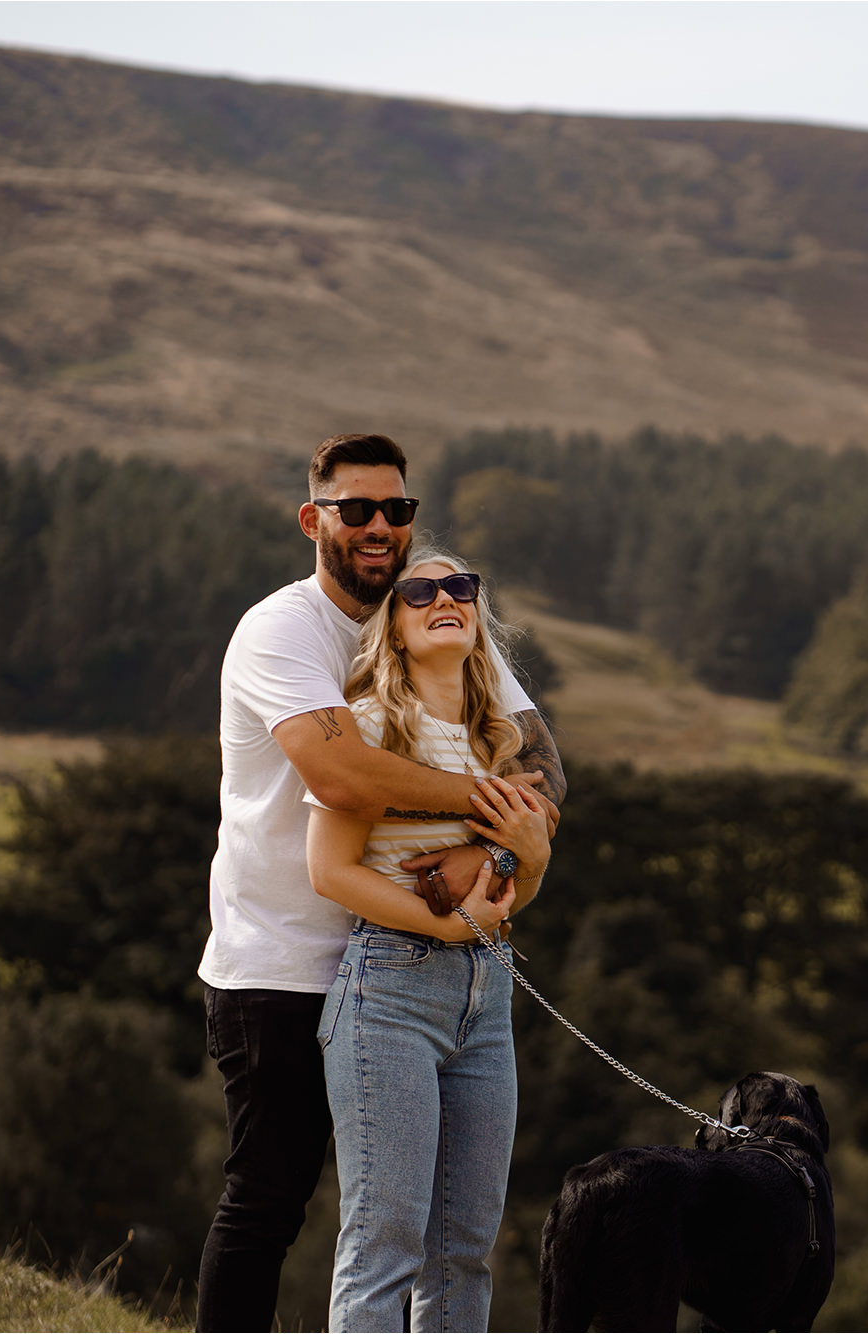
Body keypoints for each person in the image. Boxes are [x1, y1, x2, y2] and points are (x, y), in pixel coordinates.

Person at [195, 433, 564, 1332]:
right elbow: (344, 778)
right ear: (312, 518)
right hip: (281, 965)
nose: (377, 527)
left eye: (395, 510)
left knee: (445, 1240)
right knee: (274, 1206)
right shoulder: (281, 628)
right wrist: (490, 806)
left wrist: (490, 859)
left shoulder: (429, 612)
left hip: (422, 968)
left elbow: (545, 778)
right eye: (354, 509)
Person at [307, 548, 552, 1331]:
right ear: (395, 627)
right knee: (386, 1244)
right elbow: (331, 871)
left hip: (487, 995)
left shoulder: (502, 745)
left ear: (478, 616)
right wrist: (442, 924)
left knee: (466, 1249)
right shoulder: (374, 725)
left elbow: (511, 899)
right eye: (420, 591)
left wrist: (535, 856)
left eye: (461, 587)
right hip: (388, 990)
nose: (444, 597)